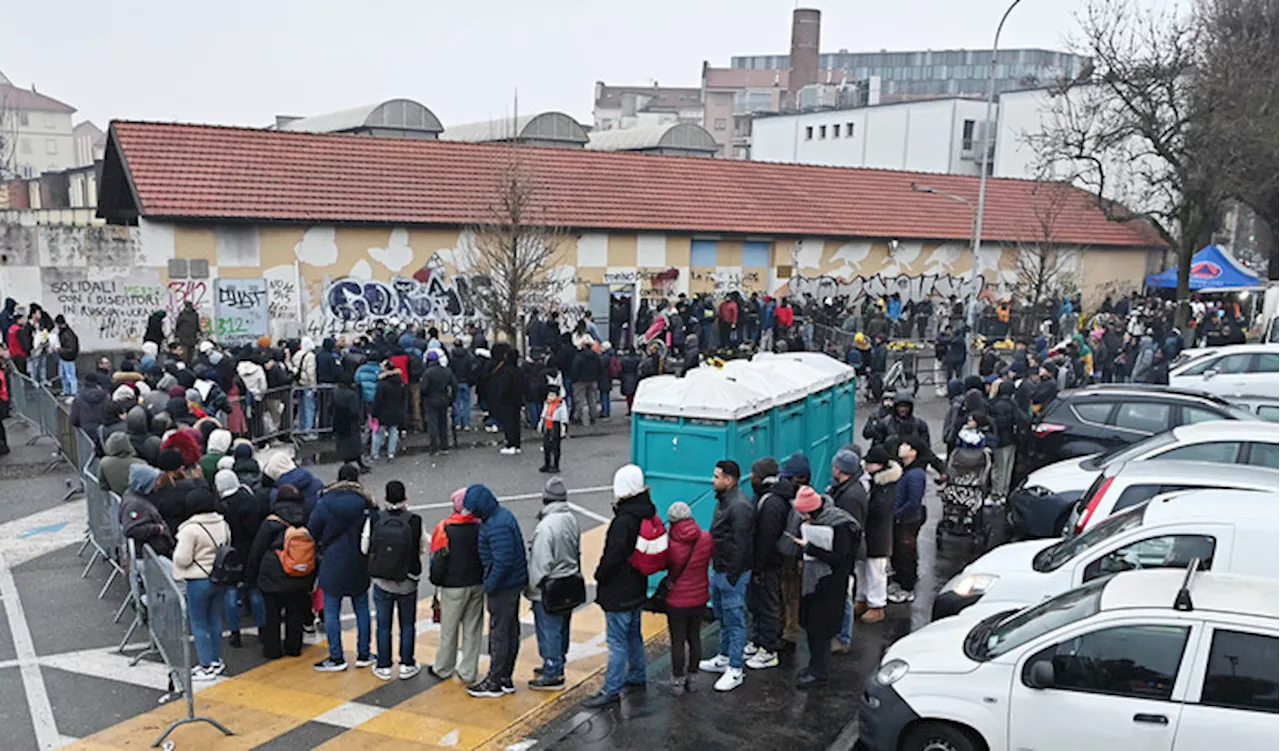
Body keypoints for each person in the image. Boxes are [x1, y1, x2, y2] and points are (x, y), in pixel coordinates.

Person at [582, 465, 656, 709]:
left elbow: (612, 557)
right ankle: (637, 675)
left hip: (618, 590)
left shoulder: (623, 521)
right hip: (637, 585)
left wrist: (599, 575)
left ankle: (611, 689)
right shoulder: (646, 514)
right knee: (634, 634)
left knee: (617, 642)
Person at [459, 483, 527, 697]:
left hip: (503, 587)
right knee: (509, 631)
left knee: (500, 634)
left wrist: (490, 585)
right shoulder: (501, 517)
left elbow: (503, 561)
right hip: (513, 584)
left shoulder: (496, 526)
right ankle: (505, 677)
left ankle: (494, 681)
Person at [790, 485, 859, 688]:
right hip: (815, 582)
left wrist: (811, 548)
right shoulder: (823, 519)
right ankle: (815, 666)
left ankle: (820, 671)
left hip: (830, 584)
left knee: (820, 630)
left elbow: (841, 558)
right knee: (812, 627)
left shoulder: (840, 525)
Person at [309, 464, 377, 672]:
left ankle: (336, 656)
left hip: (332, 561)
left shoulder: (324, 501)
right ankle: (364, 653)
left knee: (331, 611)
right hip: (359, 561)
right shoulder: (367, 503)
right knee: (362, 609)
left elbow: (312, 530)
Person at [362, 480, 427, 681]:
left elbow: (364, 546)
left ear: (386, 498)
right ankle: (407, 663)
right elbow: (422, 547)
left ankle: (384, 665)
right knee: (407, 624)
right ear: (405, 498)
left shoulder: (375, 519)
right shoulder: (414, 520)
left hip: (382, 580)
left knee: (383, 625)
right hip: (407, 581)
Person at [699, 460, 753, 692]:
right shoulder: (726, 501)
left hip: (731, 573)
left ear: (728, 480)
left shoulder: (738, 506)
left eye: (717, 476)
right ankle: (724, 656)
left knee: (735, 620)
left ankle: (735, 667)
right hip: (721, 569)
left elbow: (742, 544)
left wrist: (732, 575)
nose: (713, 480)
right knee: (723, 616)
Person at [245, 483, 315, 660]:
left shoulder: (271, 522)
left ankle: (272, 650)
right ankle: (294, 647)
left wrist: (250, 577)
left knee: (273, 615)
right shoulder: (306, 519)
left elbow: (257, 551)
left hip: (273, 576)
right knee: (295, 613)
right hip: (301, 574)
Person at [525, 477, 582, 691]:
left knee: (548, 628)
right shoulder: (571, 519)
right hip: (569, 581)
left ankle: (552, 671)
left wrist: (531, 590)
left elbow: (540, 564)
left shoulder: (545, 527)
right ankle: (558, 662)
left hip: (549, 587)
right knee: (562, 627)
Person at [172, 486, 231, 681]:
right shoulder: (222, 523)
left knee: (198, 622)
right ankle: (215, 659)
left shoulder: (190, 529)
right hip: (219, 576)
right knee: (214, 619)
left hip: (198, 579)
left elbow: (182, 559)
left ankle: (205, 664)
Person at [655, 500, 712, 696]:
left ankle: (677, 681)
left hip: (677, 600)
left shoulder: (671, 545)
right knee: (694, 637)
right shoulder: (705, 538)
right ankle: (693, 679)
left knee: (677, 640)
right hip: (701, 596)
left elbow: (663, 565)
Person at [428, 488, 484, 685]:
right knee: (473, 629)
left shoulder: (445, 528)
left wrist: (436, 581)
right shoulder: (480, 527)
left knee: (449, 630)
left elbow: (438, 561)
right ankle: (468, 671)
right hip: (477, 584)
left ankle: (443, 668)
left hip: (453, 587)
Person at [744, 457, 786, 670]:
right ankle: (758, 640)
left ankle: (769, 649)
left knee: (767, 604)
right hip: (762, 563)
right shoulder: (766, 498)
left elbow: (766, 539)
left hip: (767, 564)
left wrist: (758, 567)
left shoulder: (771, 503)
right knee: (756, 603)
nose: (751, 477)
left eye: (754, 474)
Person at [828, 449, 868, 653]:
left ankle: (843, 638)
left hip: (846, 554)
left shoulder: (850, 497)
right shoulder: (850, 489)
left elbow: (848, 528)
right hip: (847, 551)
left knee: (844, 595)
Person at [856, 445, 899, 624]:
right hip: (871, 534)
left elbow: (878, 509)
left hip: (878, 535)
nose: (866, 466)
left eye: (870, 463)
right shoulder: (877, 482)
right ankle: (863, 598)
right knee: (863, 570)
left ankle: (876, 605)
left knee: (875, 572)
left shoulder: (885, 486)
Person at [889, 438, 928, 604]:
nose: (902, 447)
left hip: (908, 520)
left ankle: (907, 587)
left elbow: (913, 502)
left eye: (907, 445)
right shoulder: (907, 470)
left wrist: (897, 514)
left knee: (905, 552)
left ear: (914, 452)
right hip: (903, 518)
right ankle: (901, 581)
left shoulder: (915, 474)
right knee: (900, 551)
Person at [120, 464, 175, 558]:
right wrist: (157, 529)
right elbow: (131, 529)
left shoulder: (137, 497)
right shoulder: (134, 505)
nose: (158, 483)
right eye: (155, 480)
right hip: (148, 558)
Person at [987, 380, 1025, 501]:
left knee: (999, 468)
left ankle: (996, 494)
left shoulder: (996, 405)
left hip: (1001, 441)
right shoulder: (1013, 404)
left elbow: (998, 424)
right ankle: (1004, 492)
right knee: (1008, 467)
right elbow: (1022, 419)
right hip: (1012, 439)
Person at [422, 349, 457, 454]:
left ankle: (434, 447)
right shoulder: (446, 371)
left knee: (432, 424)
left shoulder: (427, 373)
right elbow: (455, 386)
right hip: (444, 399)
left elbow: (423, 388)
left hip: (431, 400)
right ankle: (444, 446)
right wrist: (452, 398)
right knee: (443, 423)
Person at [371, 359, 406, 462]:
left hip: (383, 412)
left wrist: (374, 412)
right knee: (393, 432)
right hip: (396, 410)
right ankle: (391, 453)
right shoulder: (400, 382)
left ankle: (375, 454)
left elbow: (378, 400)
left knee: (378, 433)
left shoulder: (382, 384)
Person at [99, 432, 145, 497]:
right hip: (139, 501)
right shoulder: (141, 463)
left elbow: (103, 485)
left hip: (117, 501)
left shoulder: (104, 463)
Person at [538, 386, 568, 474]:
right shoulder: (547, 404)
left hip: (556, 424)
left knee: (555, 446)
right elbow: (544, 414)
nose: (550, 397)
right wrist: (540, 425)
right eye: (549, 395)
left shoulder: (560, 405)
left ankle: (555, 465)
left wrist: (563, 430)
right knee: (546, 445)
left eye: (552, 395)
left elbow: (564, 417)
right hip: (548, 424)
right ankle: (547, 463)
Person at [54, 315, 79, 396]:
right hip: (66, 357)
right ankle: (68, 391)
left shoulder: (66, 334)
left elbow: (71, 348)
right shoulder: (68, 333)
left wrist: (59, 350)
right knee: (65, 376)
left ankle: (72, 391)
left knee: (69, 376)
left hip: (67, 357)